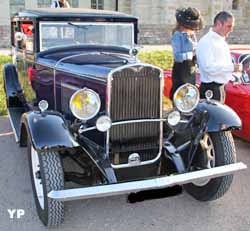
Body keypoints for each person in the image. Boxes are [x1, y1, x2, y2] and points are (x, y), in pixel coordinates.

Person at [196, 11, 242, 103]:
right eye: (229, 26)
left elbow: (222, 66)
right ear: (218, 24)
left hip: (221, 88)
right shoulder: (207, 42)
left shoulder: (221, 41)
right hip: (210, 90)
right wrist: (232, 68)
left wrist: (234, 76)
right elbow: (208, 67)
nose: (231, 30)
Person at [170, 7, 203, 99]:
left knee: (190, 93)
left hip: (190, 69)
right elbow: (177, 56)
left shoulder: (192, 35)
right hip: (181, 69)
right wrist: (190, 54)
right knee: (181, 95)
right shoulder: (177, 35)